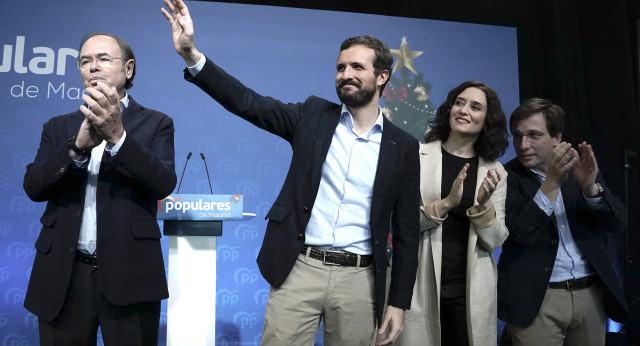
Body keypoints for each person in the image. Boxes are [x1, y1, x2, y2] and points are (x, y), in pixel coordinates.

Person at [161, 0, 420, 345]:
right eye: (341, 67)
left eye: (357, 66)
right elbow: (248, 102)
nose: (346, 74)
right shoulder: (312, 116)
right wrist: (192, 55)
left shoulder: (402, 145)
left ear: (382, 76)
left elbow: (406, 231)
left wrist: (399, 302)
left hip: (361, 279)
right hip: (299, 267)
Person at [23, 32, 176, 345]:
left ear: (128, 69)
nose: (93, 67)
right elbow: (34, 186)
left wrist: (118, 137)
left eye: (103, 59)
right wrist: (77, 147)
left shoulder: (157, 123)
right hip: (64, 278)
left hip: (130, 275)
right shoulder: (58, 126)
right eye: (85, 61)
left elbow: (163, 184)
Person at [497, 98, 628, 346]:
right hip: (536, 302)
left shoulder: (578, 167)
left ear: (557, 137)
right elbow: (520, 233)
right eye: (517, 135)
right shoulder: (506, 176)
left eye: (534, 135)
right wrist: (551, 184)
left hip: (590, 297)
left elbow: (617, 223)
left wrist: (591, 188)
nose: (523, 145)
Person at [395, 81, 509, 346]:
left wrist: (482, 206)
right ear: (449, 109)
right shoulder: (417, 155)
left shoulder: (496, 172)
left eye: (475, 106)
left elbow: (495, 240)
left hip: (468, 290)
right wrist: (446, 203)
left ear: (487, 121)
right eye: (459, 102)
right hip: (418, 285)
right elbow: (401, 224)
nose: (464, 110)